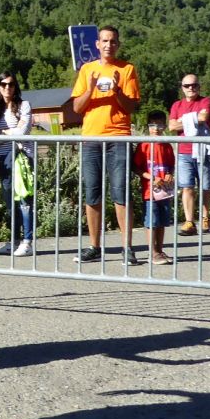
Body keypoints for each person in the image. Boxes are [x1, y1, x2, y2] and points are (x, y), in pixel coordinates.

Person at [69, 25, 139, 264]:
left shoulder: (127, 69)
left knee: (121, 192)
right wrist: (90, 89)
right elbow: (77, 108)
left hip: (118, 138)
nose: (109, 45)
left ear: (118, 44)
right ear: (97, 44)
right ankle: (94, 246)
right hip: (91, 139)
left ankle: (127, 248)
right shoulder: (87, 69)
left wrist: (117, 90)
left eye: (113, 41)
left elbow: (130, 107)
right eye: (105, 41)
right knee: (92, 193)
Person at [0, 72, 35, 256]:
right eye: (4, 84)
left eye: (11, 84)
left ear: (16, 86)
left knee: (24, 200)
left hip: (21, 157)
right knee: (10, 202)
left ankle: (27, 241)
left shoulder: (24, 105)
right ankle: (14, 241)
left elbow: (23, 131)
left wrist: (5, 132)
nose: (7, 88)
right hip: (2, 159)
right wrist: (9, 131)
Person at [168, 73, 210, 235]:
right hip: (184, 151)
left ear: (199, 86)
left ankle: (205, 217)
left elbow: (203, 117)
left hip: (203, 151)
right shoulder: (176, 105)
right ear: (182, 88)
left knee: (205, 187)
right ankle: (189, 221)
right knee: (186, 187)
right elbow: (172, 126)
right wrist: (193, 118)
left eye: (194, 85)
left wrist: (182, 120)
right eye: (187, 86)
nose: (190, 88)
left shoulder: (206, 101)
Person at [133, 110, 176, 265]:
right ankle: (152, 252)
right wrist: (151, 178)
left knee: (162, 222)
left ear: (165, 126)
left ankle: (159, 250)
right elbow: (136, 168)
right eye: (152, 125)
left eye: (159, 125)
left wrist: (169, 174)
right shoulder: (144, 145)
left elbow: (171, 165)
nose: (156, 129)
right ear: (148, 126)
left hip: (164, 191)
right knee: (152, 221)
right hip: (149, 191)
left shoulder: (167, 146)